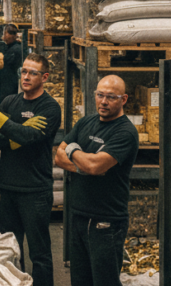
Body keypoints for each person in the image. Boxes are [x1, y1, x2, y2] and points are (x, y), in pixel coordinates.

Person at [0, 53, 62, 286]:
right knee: (8, 250)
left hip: (35, 191)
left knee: (39, 253)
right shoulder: (10, 102)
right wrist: (19, 133)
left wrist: (2, 122)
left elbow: (27, 136)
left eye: (33, 73)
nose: (26, 77)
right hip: (8, 188)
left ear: (44, 77)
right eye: (23, 71)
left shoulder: (50, 108)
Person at [54, 75, 139, 286]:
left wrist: (73, 150)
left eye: (111, 97)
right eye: (100, 95)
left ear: (123, 99)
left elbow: (94, 165)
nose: (103, 101)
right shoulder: (86, 122)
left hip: (106, 221)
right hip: (79, 215)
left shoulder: (125, 132)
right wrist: (83, 166)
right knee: (80, 280)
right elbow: (58, 156)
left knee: (104, 281)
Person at [0, 24, 23, 103]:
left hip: (9, 86)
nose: (4, 37)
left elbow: (4, 64)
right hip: (9, 84)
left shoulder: (14, 49)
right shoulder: (12, 47)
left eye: (5, 34)